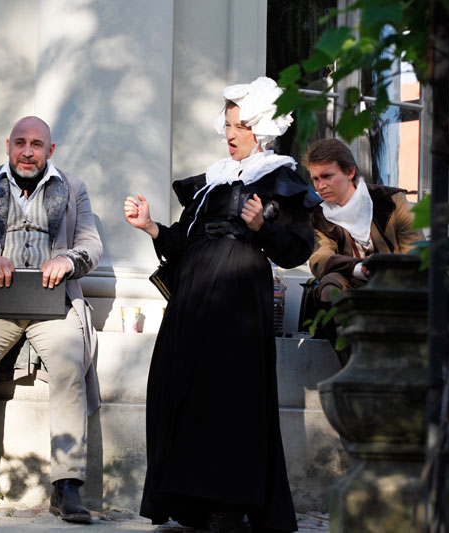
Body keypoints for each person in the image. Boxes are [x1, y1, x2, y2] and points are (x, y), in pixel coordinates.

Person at [124, 77, 320, 532]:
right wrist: (152, 227)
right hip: (192, 296)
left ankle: (228, 504)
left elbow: (296, 249)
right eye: (227, 124)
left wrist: (261, 229)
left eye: (238, 125)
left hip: (238, 297)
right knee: (181, 390)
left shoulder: (279, 177)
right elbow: (185, 240)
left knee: (230, 398)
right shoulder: (212, 180)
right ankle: (188, 500)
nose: (229, 134)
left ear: (261, 128)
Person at [0, 116, 102, 524]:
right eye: (21, 143)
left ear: (51, 150)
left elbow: (91, 244)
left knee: (68, 366)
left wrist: (68, 260)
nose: (28, 152)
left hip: (53, 301)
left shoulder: (74, 187)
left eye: (37, 144)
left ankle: (67, 485)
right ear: (8, 145)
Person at [304, 138, 422, 366]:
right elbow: (320, 260)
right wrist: (358, 269)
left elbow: (415, 251)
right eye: (315, 179)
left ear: (350, 172)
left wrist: (385, 272)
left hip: (396, 286)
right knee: (328, 286)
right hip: (351, 286)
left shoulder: (390, 200)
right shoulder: (318, 216)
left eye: (327, 176)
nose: (320, 186)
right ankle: (353, 367)